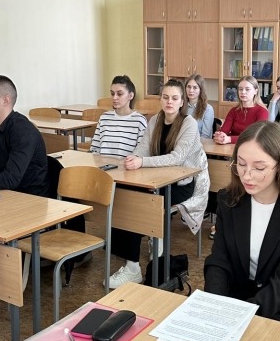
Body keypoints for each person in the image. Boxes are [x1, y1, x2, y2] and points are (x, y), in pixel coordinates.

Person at [204, 121, 280, 327]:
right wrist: (214, 303)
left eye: (259, 168)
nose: (247, 175)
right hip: (234, 298)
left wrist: (242, 317)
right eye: (241, 164)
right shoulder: (228, 200)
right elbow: (219, 261)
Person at [108, 78, 209, 289]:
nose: (169, 102)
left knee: (141, 203)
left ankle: (147, 247)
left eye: (174, 98)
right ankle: (132, 265)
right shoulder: (155, 120)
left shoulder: (188, 123)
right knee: (123, 194)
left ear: (182, 102)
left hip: (180, 184)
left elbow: (177, 158)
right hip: (156, 179)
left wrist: (142, 162)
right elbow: (143, 147)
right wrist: (134, 158)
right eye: (165, 97)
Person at [90, 75, 147, 157]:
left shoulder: (139, 121)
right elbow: (94, 149)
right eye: (112, 94)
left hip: (126, 164)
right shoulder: (104, 118)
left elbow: (141, 153)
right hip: (103, 164)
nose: (114, 97)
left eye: (119, 94)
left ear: (131, 96)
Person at [213, 76, 268, 145]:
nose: (243, 92)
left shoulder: (262, 111)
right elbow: (224, 130)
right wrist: (220, 135)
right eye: (240, 89)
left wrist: (230, 139)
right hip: (233, 146)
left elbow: (256, 136)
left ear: (255, 91)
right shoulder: (234, 111)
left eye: (247, 89)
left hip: (251, 147)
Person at [184, 74, 214, 139]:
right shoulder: (181, 105)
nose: (191, 90)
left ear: (201, 90)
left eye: (195, 88)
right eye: (189, 87)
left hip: (199, 143)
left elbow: (205, 136)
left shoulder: (208, 109)